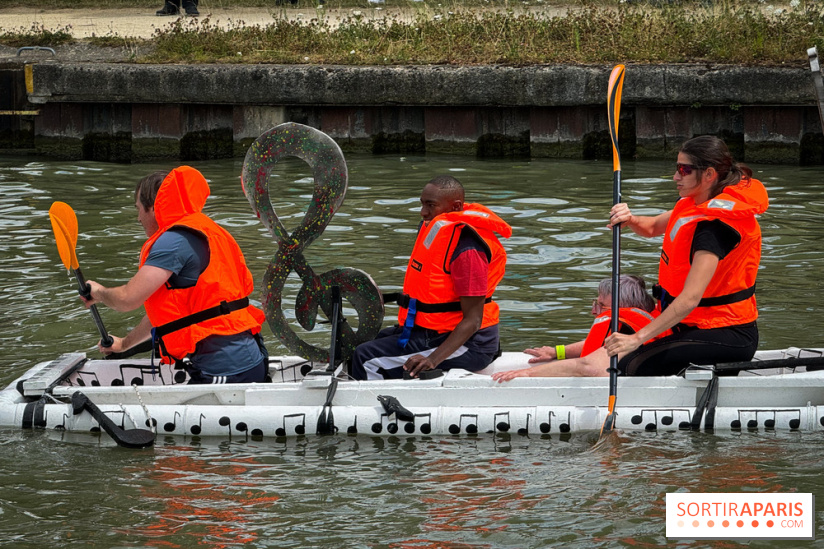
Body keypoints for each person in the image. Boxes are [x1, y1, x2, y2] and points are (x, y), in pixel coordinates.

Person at [82, 166, 268, 384]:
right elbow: (167, 314)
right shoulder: (203, 229)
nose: (138, 218)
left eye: (138, 208)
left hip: (225, 368)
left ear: (153, 207)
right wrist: (124, 344)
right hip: (247, 358)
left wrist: (99, 292)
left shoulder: (174, 242)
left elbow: (127, 299)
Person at [603, 135, 769, 376]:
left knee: (631, 363)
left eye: (684, 169)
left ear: (710, 174)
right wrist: (630, 219)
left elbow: (690, 298)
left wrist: (637, 339)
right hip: (690, 325)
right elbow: (650, 227)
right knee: (624, 345)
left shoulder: (714, 229)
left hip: (726, 332)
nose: (676, 177)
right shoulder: (694, 204)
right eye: (677, 168)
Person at [350, 175, 512, 380]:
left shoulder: (468, 250)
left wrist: (432, 360)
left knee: (365, 357)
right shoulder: (436, 230)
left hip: (471, 344)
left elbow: (473, 320)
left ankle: (373, 409)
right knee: (364, 342)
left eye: (431, 205)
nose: (423, 212)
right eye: (422, 204)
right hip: (431, 331)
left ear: (456, 206)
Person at [492, 275, 661, 381]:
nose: (594, 311)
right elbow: (601, 347)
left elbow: (589, 367)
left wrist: (527, 374)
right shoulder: (634, 326)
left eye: (601, 305)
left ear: (622, 308)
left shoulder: (630, 336)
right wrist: (556, 352)